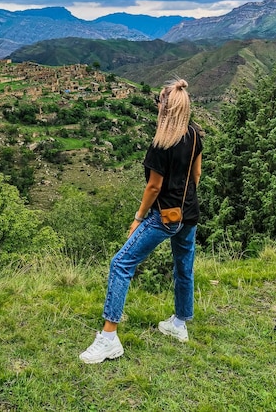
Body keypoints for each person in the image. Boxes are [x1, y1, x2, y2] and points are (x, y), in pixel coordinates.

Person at [79, 79, 203, 364]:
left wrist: (138, 218)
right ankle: (179, 323)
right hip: (189, 213)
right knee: (183, 267)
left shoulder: (161, 144)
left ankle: (109, 337)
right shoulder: (196, 134)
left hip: (165, 216)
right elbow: (196, 175)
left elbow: (153, 188)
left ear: (165, 107)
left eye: (159, 102)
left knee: (121, 264)